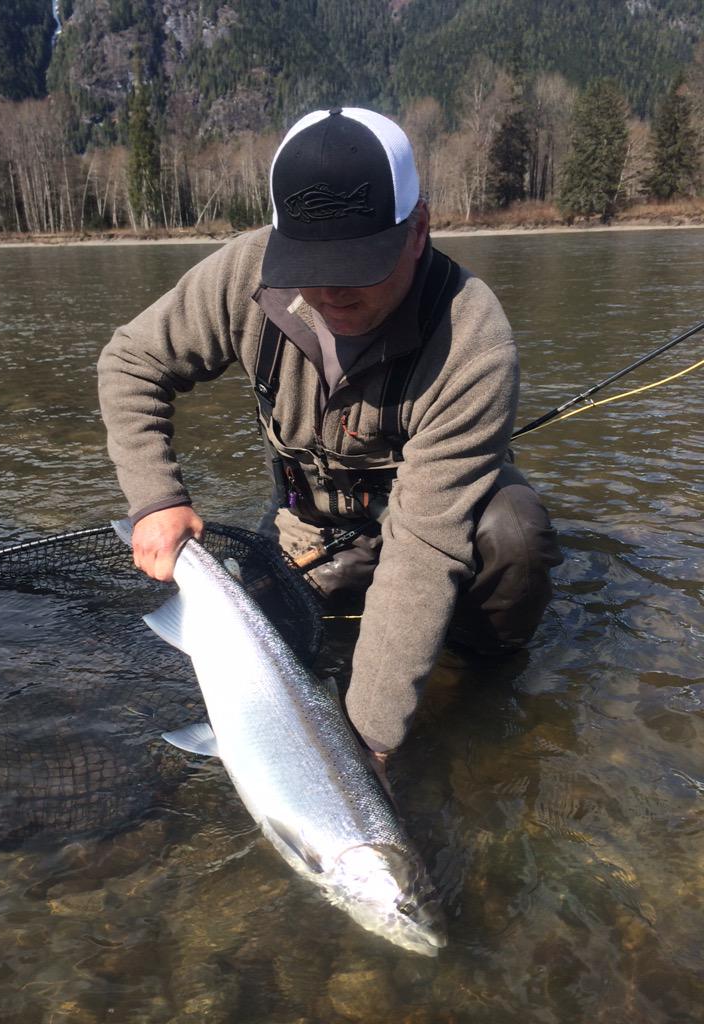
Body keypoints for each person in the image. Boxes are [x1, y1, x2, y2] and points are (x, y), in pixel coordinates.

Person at [98, 106, 562, 777]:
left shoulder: (473, 340)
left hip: (433, 528)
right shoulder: (246, 272)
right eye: (310, 263)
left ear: (418, 230)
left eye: (357, 263)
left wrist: (365, 745)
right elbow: (131, 363)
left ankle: (470, 672)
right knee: (256, 662)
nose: (328, 289)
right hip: (310, 531)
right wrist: (155, 498)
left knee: (513, 532)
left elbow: (425, 549)